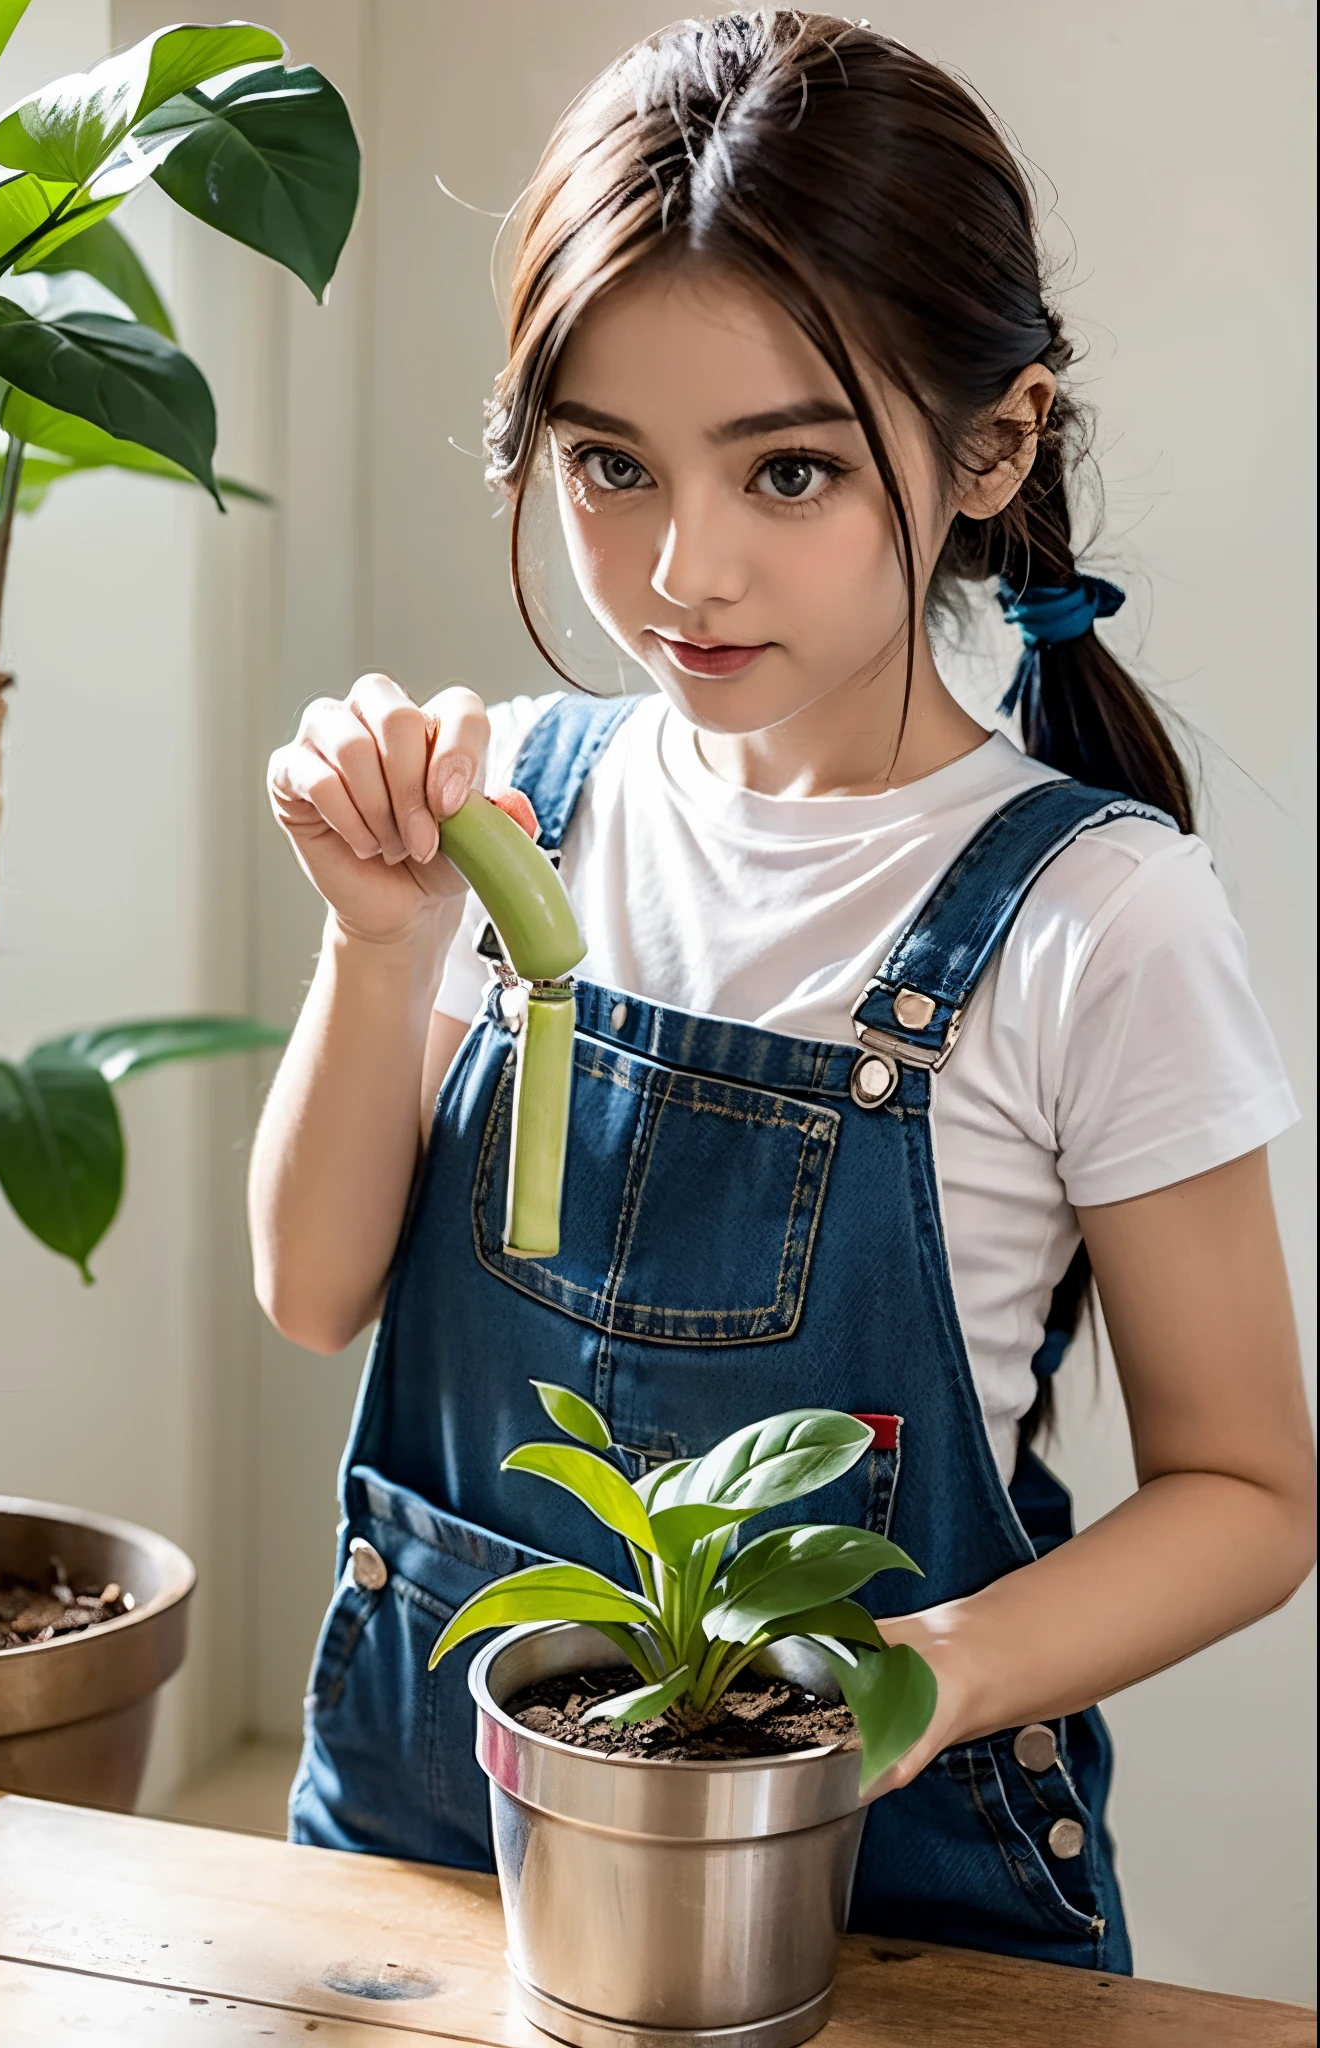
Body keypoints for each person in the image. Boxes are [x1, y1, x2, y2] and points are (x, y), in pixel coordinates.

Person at [249, 13, 1313, 1972]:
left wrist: (926, 1672)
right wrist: (377, 937)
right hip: (420, 1867)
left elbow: (1247, 1489)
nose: (681, 569)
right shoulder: (505, 814)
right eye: (606, 466)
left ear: (986, 445)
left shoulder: (1099, 919)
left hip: (876, 1909)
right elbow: (315, 1296)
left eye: (790, 470)